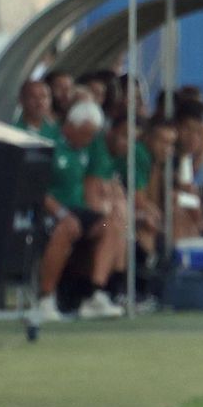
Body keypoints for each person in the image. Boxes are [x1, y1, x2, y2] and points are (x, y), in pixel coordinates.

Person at [33, 99, 124, 320]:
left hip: (78, 210)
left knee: (110, 225)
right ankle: (45, 298)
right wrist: (61, 213)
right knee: (67, 227)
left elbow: (91, 182)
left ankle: (95, 295)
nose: (89, 140)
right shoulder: (49, 141)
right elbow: (36, 186)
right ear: (72, 126)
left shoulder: (88, 147)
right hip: (51, 211)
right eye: (85, 134)